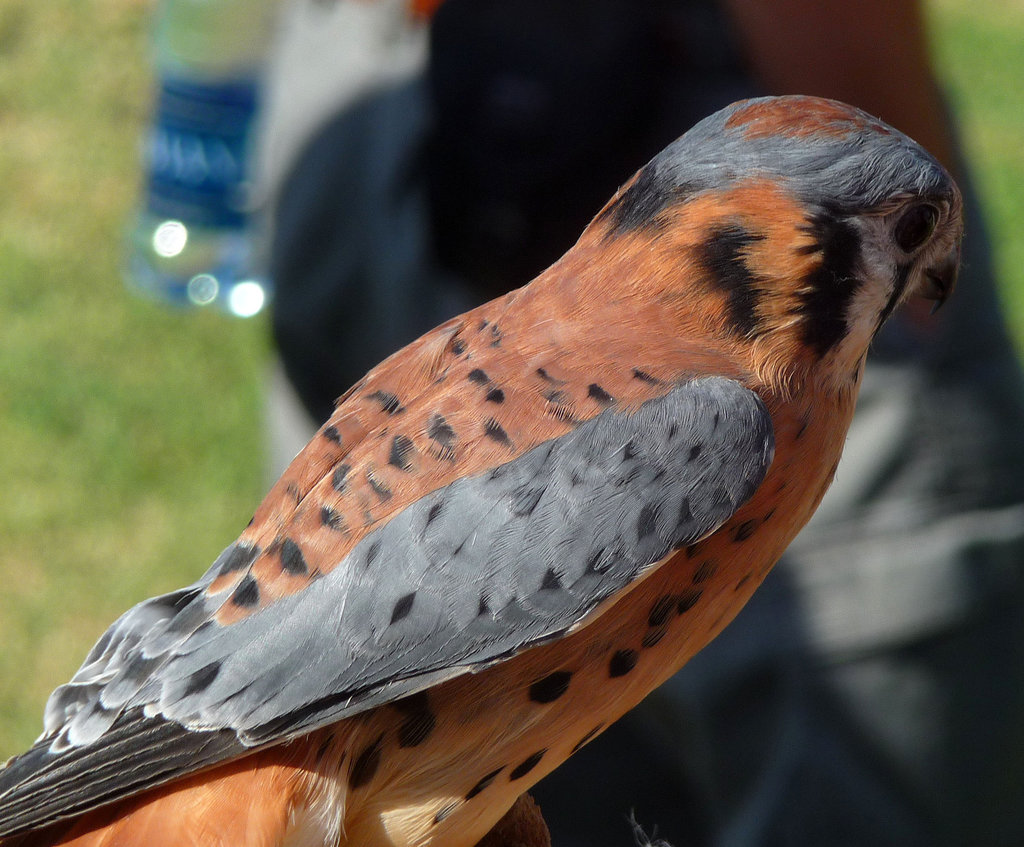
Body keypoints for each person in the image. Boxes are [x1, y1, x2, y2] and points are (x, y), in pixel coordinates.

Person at [263, 1, 1024, 844]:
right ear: (758, 240)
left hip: (365, 91)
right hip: (677, 64)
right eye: (914, 234)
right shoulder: (711, 419)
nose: (932, 268)